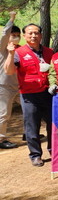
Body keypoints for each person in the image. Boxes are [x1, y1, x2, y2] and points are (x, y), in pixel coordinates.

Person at [3, 23, 53, 166]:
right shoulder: (19, 52)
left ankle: (54, 150)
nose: (33, 35)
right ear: (24, 36)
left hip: (48, 93)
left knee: (53, 124)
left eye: (36, 33)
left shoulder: (49, 52)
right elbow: (9, 71)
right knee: (32, 126)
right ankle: (35, 155)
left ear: (41, 35)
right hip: (29, 95)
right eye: (30, 33)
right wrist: (11, 54)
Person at [0, 11, 21, 149]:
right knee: (3, 114)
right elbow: (4, 34)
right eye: (13, 35)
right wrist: (11, 19)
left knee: (30, 110)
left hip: (19, 86)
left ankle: (29, 133)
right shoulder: (2, 49)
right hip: (4, 86)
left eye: (18, 35)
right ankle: (1, 139)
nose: (16, 37)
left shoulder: (19, 50)